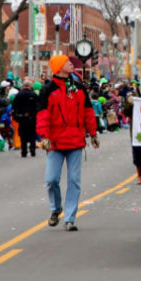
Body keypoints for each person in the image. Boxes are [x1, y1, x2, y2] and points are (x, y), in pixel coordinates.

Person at [37, 54, 99, 231]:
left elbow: (88, 112)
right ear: (58, 67)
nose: (71, 64)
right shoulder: (48, 89)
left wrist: (93, 134)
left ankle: (70, 218)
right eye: (67, 62)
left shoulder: (78, 88)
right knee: (51, 180)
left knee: (74, 181)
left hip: (75, 142)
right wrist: (44, 136)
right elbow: (42, 115)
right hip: (55, 143)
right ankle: (56, 209)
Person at [11, 78, 40, 158]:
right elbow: (38, 106)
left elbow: (14, 107)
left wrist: (16, 116)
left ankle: (24, 151)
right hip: (32, 117)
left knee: (23, 135)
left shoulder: (18, 95)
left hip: (22, 118)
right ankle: (32, 149)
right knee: (32, 134)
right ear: (30, 86)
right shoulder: (33, 94)